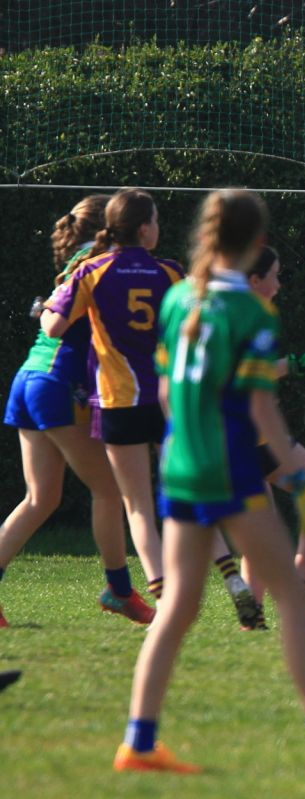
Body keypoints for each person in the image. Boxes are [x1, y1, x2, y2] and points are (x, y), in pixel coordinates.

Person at [113, 188, 305, 773]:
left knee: (179, 608)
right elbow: (261, 410)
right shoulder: (250, 312)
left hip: (180, 467)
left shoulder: (179, 300)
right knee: (293, 597)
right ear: (257, 242)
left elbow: (168, 393)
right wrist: (298, 479)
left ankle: (138, 743)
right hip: (229, 469)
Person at [41, 189, 258, 628]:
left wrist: (52, 301)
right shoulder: (169, 271)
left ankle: (164, 602)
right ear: (144, 228)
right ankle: (234, 581)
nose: (159, 227)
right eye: (156, 220)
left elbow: (54, 326)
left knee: (138, 506)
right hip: (167, 399)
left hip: (118, 401)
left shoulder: (92, 271)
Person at [0, 195, 151, 627]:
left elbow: (51, 315)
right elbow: (61, 323)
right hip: (58, 384)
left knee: (41, 498)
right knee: (109, 490)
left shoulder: (82, 261)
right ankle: (119, 590)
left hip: (30, 377)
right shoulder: (102, 262)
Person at [237, 246, 305, 632]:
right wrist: (293, 365)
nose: (279, 285)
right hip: (254, 435)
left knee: (263, 529)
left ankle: (252, 618)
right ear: (254, 280)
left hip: (233, 434)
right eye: (275, 276)